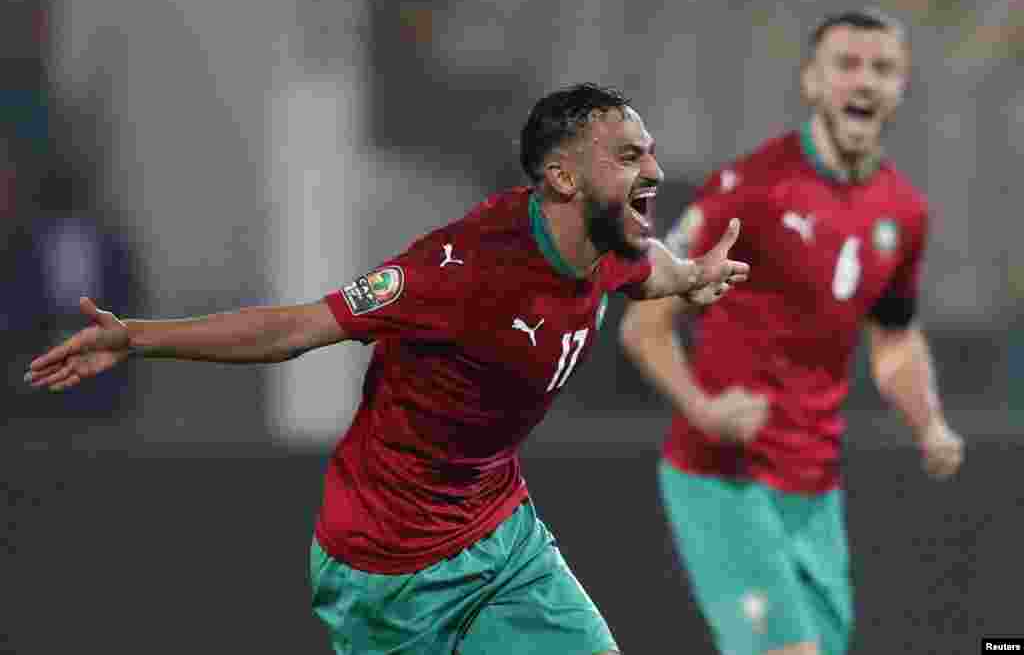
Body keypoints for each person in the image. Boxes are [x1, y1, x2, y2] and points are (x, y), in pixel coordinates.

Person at [26, 83, 749, 655]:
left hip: (503, 535)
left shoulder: (609, 234)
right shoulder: (459, 270)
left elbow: (637, 268)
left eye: (648, 152)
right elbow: (298, 326)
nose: (653, 169)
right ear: (561, 175)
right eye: (628, 155)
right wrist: (139, 338)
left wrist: (686, 274)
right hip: (388, 567)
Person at [619, 10, 964, 655]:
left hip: (814, 487)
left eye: (882, 68)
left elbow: (893, 340)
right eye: (847, 65)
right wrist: (703, 409)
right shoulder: (751, 190)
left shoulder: (904, 212)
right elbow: (644, 323)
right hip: (723, 476)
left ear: (901, 87)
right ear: (811, 82)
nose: (864, 81)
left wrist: (929, 422)